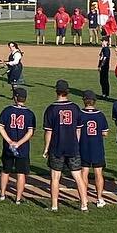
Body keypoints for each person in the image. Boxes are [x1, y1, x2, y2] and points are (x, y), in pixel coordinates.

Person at [42, 80, 84, 211]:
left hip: (56, 146)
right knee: (78, 175)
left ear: (56, 91)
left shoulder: (51, 109)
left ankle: (54, 205)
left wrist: (46, 148)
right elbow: (78, 129)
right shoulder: (75, 107)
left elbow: (48, 132)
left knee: (55, 176)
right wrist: (76, 142)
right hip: (73, 146)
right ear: (68, 91)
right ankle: (84, 204)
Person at [0, 87, 36, 204]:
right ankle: (18, 199)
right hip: (22, 148)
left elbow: (0, 126)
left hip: (8, 148)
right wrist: (18, 143)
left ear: (15, 97)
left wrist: (9, 141)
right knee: (21, 173)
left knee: (5, 170)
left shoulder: (7, 110)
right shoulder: (29, 114)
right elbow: (30, 132)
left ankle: (2, 194)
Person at [77, 91, 108, 210]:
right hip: (97, 147)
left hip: (83, 146)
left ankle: (84, 197)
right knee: (98, 173)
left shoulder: (79, 114)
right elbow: (105, 133)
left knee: (84, 172)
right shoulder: (100, 115)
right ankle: (99, 198)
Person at [96, 34, 111, 100]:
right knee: (102, 80)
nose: (102, 42)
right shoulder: (103, 49)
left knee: (104, 80)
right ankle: (103, 94)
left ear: (107, 42)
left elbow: (105, 58)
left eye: (103, 41)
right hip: (102, 66)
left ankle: (106, 94)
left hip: (105, 67)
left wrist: (101, 66)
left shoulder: (106, 49)